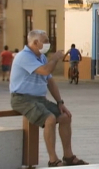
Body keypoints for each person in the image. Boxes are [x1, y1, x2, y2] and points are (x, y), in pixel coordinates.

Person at [9, 30, 88, 167]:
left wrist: (60, 102)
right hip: (22, 98)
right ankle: (53, 160)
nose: (48, 44)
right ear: (35, 42)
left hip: (39, 99)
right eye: (45, 41)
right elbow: (45, 71)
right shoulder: (24, 57)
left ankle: (68, 156)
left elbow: (50, 81)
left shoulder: (41, 58)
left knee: (65, 117)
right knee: (49, 118)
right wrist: (56, 58)